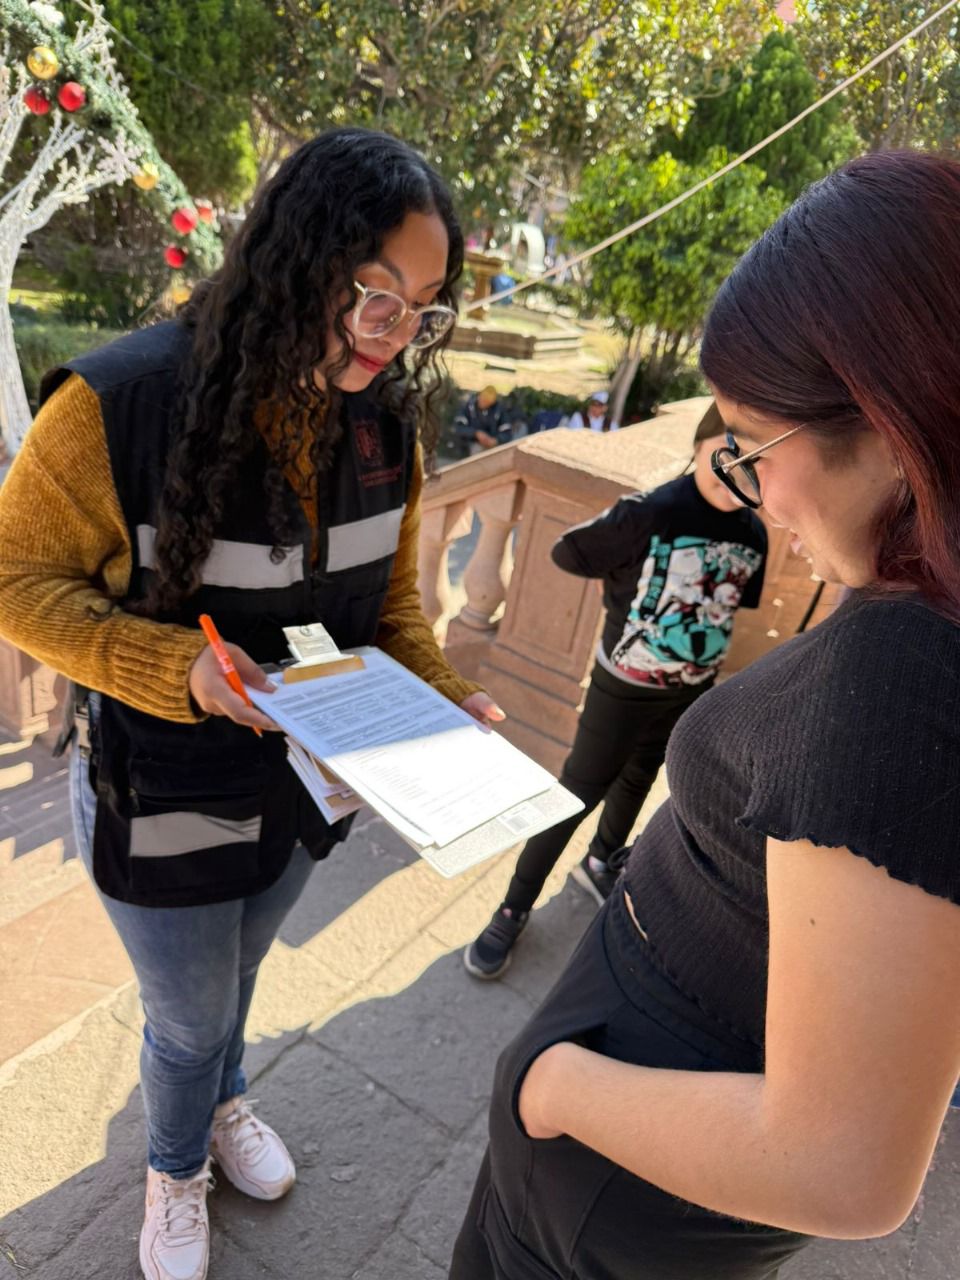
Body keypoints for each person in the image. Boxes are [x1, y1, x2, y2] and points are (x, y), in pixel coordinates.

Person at [0, 127, 505, 1280]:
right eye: (377, 295)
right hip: (164, 788)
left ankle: (223, 1106)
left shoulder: (386, 422)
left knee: (242, 983)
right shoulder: (121, 405)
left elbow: (393, 610)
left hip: (305, 787)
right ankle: (174, 1168)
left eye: (424, 309)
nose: (395, 333)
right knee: (184, 1016)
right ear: (297, 260)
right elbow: (13, 580)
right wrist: (169, 668)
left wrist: (450, 700)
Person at [451, 149, 960, 1280]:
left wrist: (553, 1083)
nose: (758, 488)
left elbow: (849, 1166)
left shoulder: (904, 666)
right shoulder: (912, 615)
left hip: (610, 1191)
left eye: (759, 443)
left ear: (888, 426)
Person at [463, 403, 767, 979]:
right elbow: (569, 551)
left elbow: (729, 605)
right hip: (623, 686)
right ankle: (512, 906)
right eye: (732, 457)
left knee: (640, 777)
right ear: (705, 441)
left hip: (688, 689)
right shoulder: (650, 512)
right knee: (577, 791)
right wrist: (620, 594)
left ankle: (602, 860)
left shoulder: (752, 530)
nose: (740, 478)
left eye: (757, 468)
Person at [454, 385, 515, 455]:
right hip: (470, 445)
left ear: (492, 403)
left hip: (493, 446)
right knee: (477, 450)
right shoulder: (468, 407)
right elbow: (459, 428)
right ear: (479, 396)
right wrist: (475, 433)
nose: (483, 402)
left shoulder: (499, 411)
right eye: (482, 399)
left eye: (487, 401)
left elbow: (507, 432)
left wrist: (496, 440)